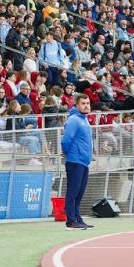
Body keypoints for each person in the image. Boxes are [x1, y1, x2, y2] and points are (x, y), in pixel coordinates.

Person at [61, 94, 93, 231]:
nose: (86, 105)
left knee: (79, 193)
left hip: (84, 162)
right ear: (77, 105)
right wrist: (68, 153)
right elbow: (66, 140)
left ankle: (77, 218)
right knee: (73, 192)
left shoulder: (84, 120)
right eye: (83, 103)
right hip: (75, 161)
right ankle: (71, 221)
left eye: (88, 103)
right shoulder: (74, 120)